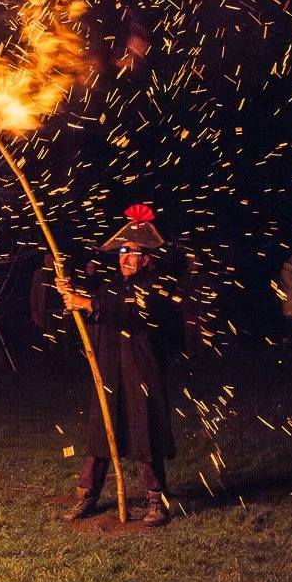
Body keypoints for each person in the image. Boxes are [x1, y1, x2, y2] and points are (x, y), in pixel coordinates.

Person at [56, 205, 177, 527]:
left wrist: (87, 303)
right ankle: (86, 496)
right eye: (122, 251)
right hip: (111, 371)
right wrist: (73, 302)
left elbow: (130, 314)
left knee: (145, 433)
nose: (125, 257)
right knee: (101, 433)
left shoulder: (155, 287)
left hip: (141, 371)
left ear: (146, 258)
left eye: (133, 252)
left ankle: (156, 501)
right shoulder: (111, 287)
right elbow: (102, 316)